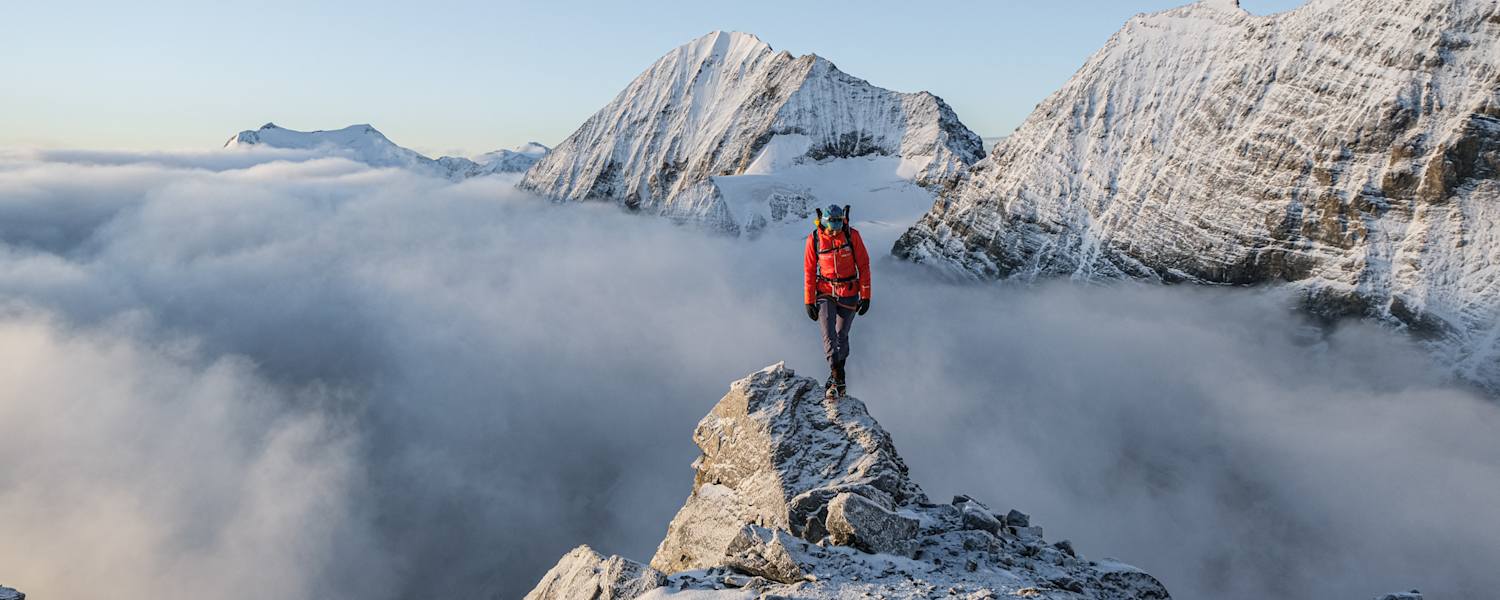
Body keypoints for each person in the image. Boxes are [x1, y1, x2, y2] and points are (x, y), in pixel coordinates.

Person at [803, 204, 871, 398]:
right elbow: (809, 270)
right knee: (828, 334)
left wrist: (865, 296)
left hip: (848, 292)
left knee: (842, 336)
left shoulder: (852, 236)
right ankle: (837, 375)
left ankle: (837, 378)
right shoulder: (814, 239)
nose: (836, 227)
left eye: (839, 222)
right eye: (832, 222)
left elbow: (864, 265)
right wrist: (809, 300)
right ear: (824, 221)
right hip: (825, 291)